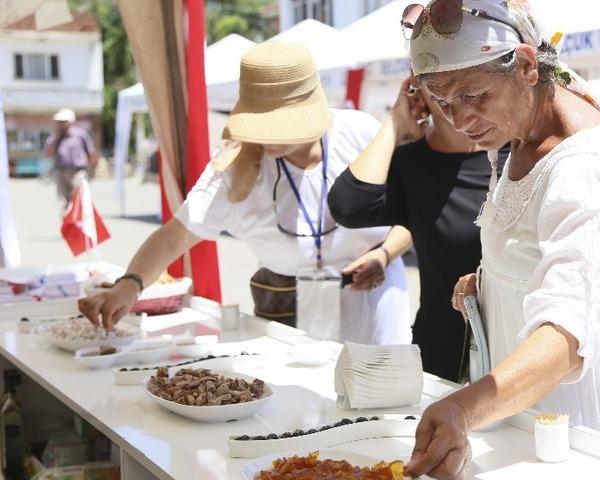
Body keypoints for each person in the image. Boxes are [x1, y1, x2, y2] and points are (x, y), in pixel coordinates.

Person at [400, 2, 600, 478]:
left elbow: (567, 337)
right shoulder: (537, 107)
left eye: (474, 95)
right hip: (533, 404)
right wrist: (494, 282)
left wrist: (462, 409)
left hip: (594, 414)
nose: (460, 119)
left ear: (525, 66)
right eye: (443, 103)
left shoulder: (587, 169)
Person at [78, 41, 412, 345]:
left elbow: (417, 212)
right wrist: (130, 284)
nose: (269, 139)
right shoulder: (236, 163)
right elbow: (174, 237)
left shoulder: (363, 133)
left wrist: (385, 254)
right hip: (287, 310)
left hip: (376, 298)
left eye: (281, 128)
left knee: (383, 399)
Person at [329, 77, 503, 382]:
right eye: (437, 82)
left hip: (517, 356)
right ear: (417, 89)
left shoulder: (519, 153)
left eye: (467, 77)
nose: (456, 97)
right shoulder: (412, 164)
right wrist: (396, 122)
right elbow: (349, 207)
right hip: (442, 360)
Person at [43, 108, 98, 209]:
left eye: (63, 122)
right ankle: (67, 222)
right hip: (61, 172)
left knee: (77, 200)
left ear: (70, 122)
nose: (60, 124)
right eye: (59, 122)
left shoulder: (81, 134)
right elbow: (48, 153)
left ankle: (77, 222)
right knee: (63, 202)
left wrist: (92, 171)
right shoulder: (55, 137)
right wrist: (57, 138)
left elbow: (91, 153)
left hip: (77, 172)